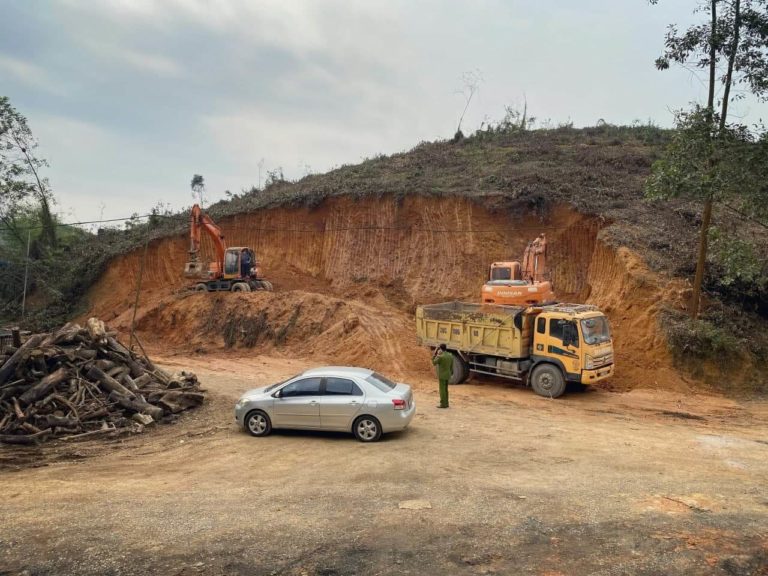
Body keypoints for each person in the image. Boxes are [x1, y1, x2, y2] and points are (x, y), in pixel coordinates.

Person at [431, 344, 453, 409]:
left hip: (442, 376)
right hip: (448, 375)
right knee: (446, 389)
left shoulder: (441, 357)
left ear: (440, 349)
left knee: (442, 390)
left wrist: (435, 354)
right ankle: (446, 403)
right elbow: (451, 366)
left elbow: (433, 363)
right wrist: (450, 373)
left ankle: (443, 404)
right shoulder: (450, 355)